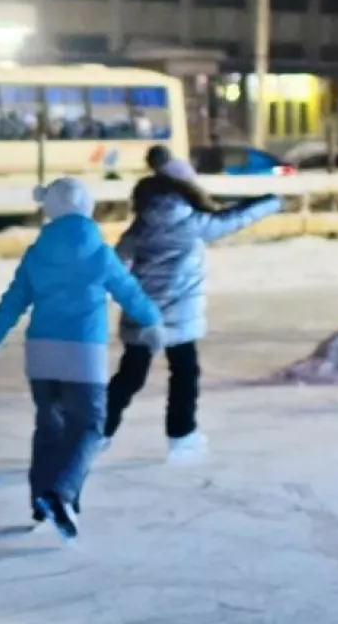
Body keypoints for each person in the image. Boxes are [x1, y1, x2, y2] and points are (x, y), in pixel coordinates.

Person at [0, 177, 164, 538]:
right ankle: (61, 493)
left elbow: (13, 301)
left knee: (50, 426)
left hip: (41, 354)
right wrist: (152, 321)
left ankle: (42, 498)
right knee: (88, 427)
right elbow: (128, 290)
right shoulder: (99, 253)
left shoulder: (37, 252)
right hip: (82, 354)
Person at [105, 157, 281, 462]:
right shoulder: (194, 223)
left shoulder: (138, 230)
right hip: (179, 314)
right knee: (184, 374)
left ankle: (97, 433)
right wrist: (272, 202)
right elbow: (236, 219)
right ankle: (182, 436)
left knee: (129, 377)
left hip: (142, 315)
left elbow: (115, 266)